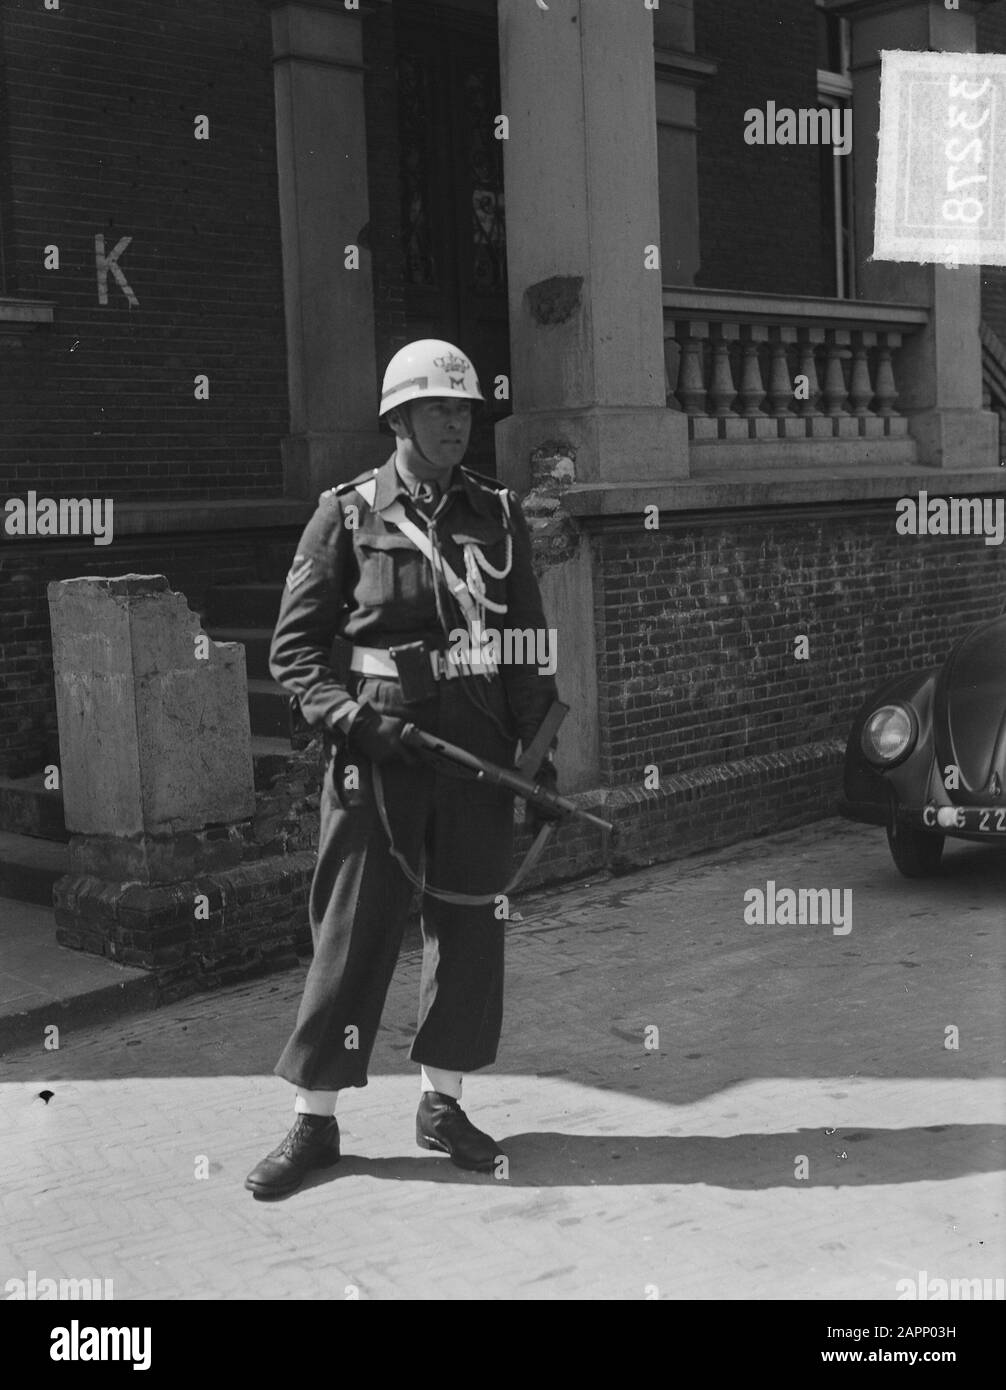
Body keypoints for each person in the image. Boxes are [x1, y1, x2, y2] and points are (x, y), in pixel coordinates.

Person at [245, 339, 561, 1198]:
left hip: (480, 751)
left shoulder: (495, 513)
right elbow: (296, 654)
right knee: (354, 931)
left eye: (464, 411)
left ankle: (442, 1106)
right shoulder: (345, 515)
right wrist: (350, 721)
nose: (456, 425)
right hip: (378, 756)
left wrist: (539, 756)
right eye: (438, 411)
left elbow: (526, 644)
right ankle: (315, 1118)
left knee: (468, 926)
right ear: (399, 420)